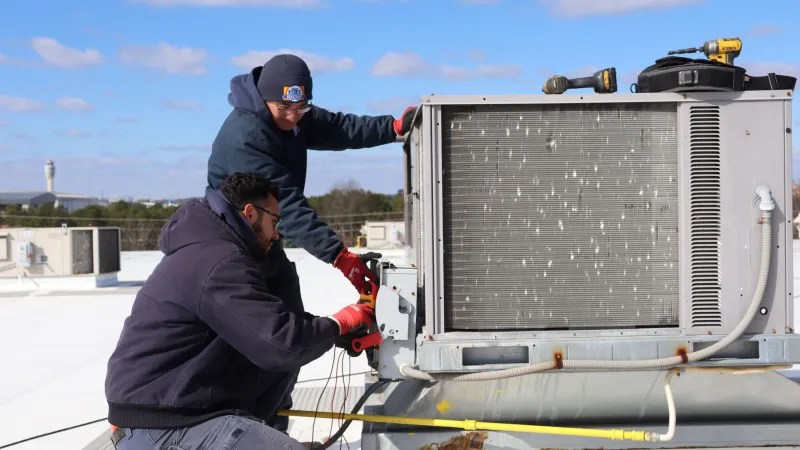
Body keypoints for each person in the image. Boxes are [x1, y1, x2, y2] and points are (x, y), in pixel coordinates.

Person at [104, 172, 376, 450]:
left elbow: (268, 323)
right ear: (250, 213)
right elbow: (281, 344)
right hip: (165, 425)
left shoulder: (215, 249)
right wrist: (340, 322)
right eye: (274, 221)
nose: (277, 232)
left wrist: (327, 331)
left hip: (175, 413)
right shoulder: (218, 260)